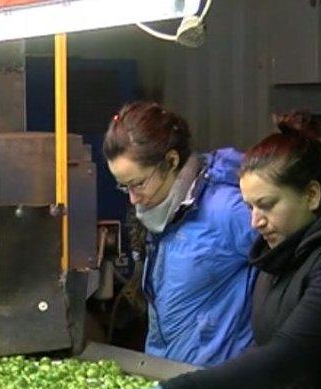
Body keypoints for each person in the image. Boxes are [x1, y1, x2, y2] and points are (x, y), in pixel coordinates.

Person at [104, 118, 321, 389]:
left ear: (312, 195)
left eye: (267, 205)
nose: (255, 223)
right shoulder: (281, 252)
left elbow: (284, 358)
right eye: (250, 208)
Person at [103, 101, 257, 367]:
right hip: (170, 377)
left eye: (138, 183)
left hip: (217, 384)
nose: (132, 197)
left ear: (171, 161)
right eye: (123, 186)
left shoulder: (228, 211)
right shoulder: (166, 214)